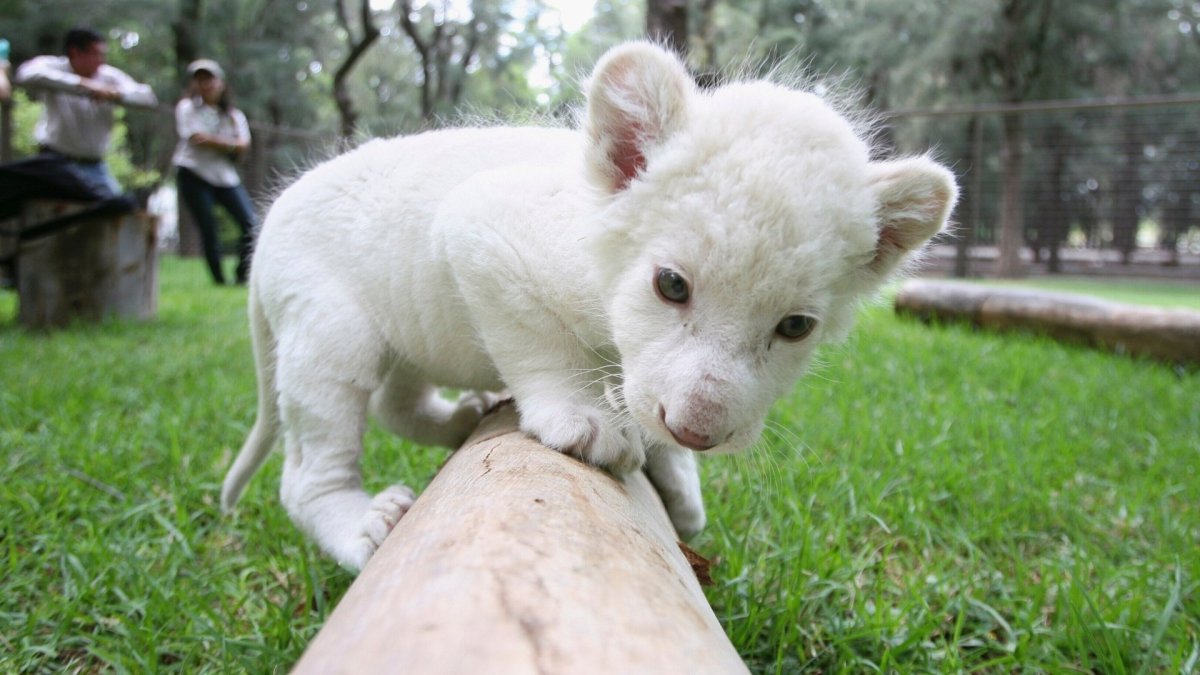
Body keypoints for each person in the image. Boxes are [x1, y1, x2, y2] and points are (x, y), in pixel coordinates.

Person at [13, 27, 157, 199]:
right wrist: (82, 84)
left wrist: (117, 94)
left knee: (118, 206)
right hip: (55, 160)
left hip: (94, 166)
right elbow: (26, 74)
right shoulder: (54, 66)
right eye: (95, 54)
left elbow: (147, 98)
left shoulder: (108, 76)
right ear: (75, 53)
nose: (100, 61)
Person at [172, 59, 258, 285]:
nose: (206, 84)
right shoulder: (187, 108)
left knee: (251, 225)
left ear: (220, 82)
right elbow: (195, 138)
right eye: (199, 79)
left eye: (209, 78)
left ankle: (242, 276)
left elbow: (244, 145)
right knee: (208, 228)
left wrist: (216, 141)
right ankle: (219, 280)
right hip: (193, 172)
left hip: (224, 176)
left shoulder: (233, 115)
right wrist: (229, 144)